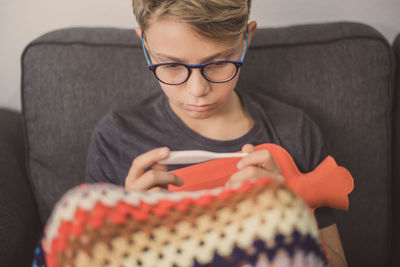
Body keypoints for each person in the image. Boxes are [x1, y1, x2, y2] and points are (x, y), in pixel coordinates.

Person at [85, 0, 347, 266]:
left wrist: (291, 218)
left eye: (218, 63)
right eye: (172, 65)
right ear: (145, 44)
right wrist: (130, 230)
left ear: (247, 38)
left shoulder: (294, 132)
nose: (197, 90)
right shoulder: (117, 138)